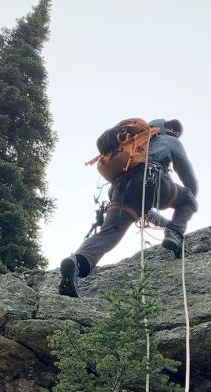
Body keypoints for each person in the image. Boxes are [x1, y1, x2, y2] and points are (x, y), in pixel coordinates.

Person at [58, 118, 198, 298]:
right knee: (188, 200)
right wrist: (177, 224)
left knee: (108, 235)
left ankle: (76, 262)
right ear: (172, 130)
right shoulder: (170, 139)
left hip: (120, 190)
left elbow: (144, 211)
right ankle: (176, 234)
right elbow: (188, 178)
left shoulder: (136, 140)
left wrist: (167, 226)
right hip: (152, 181)